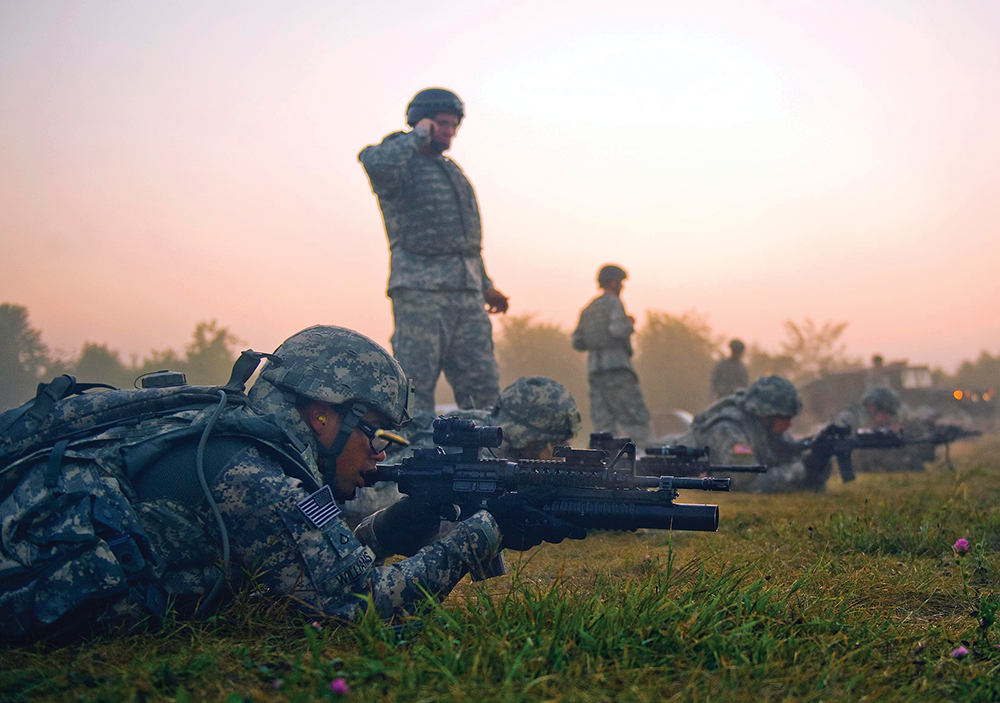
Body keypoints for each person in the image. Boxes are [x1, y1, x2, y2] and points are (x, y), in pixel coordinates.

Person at [1, 326, 583, 641]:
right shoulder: (253, 476)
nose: (380, 449)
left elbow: (301, 565)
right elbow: (355, 604)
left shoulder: (252, 453)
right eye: (373, 430)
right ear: (321, 416)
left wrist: (389, 530)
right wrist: (488, 531)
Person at [359, 88, 508, 415]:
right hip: (420, 293)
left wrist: (486, 285)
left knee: (483, 389)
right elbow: (372, 161)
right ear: (421, 120)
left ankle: (485, 458)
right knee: (414, 386)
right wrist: (417, 135)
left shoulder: (452, 171)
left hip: (467, 298)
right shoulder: (401, 164)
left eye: (454, 125)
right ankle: (408, 457)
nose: (450, 132)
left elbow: (466, 243)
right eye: (441, 123)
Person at [344, 376, 582, 525]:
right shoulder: (476, 452)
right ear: (533, 438)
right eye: (558, 443)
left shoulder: (489, 432)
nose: (561, 452)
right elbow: (371, 502)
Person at [676, 375, 829, 492]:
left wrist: (817, 463)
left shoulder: (768, 430)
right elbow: (748, 482)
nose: (790, 424)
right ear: (766, 413)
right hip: (670, 455)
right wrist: (803, 470)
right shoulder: (730, 430)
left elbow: (789, 465)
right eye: (785, 417)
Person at [572, 264, 652, 448]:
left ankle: (604, 466)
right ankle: (648, 463)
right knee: (635, 420)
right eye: (620, 282)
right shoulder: (614, 302)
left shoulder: (588, 309)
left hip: (595, 373)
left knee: (603, 428)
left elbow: (577, 342)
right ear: (612, 282)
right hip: (617, 371)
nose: (622, 287)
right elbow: (616, 330)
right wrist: (629, 323)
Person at [834, 385, 926, 472]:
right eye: (869, 410)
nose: (870, 414)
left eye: (873, 410)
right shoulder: (861, 433)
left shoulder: (908, 431)